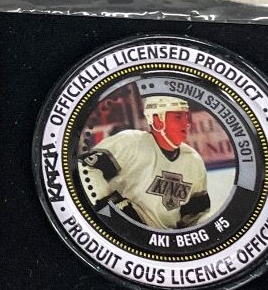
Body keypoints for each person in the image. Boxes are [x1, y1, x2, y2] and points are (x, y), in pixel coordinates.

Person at [77, 93, 210, 231]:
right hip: (122, 237)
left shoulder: (193, 160)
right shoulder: (131, 142)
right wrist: (110, 208)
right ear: (157, 120)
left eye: (186, 117)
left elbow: (196, 215)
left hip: (164, 240)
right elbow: (85, 167)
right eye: (178, 117)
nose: (186, 124)